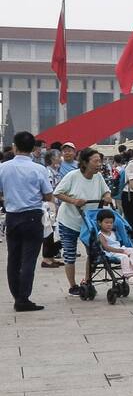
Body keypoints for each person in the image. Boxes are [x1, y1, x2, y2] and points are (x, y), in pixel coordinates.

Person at [0, 131, 54, 311]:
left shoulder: (3, 167)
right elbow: (48, 195)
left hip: (12, 217)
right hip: (32, 217)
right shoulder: (39, 169)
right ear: (33, 148)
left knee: (13, 259)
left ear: (14, 147)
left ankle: (17, 296)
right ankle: (23, 299)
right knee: (28, 260)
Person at [53, 148, 112, 298]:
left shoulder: (98, 177)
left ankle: (87, 281)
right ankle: (73, 286)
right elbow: (57, 192)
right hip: (69, 220)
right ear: (85, 162)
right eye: (96, 161)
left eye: (100, 160)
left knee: (92, 252)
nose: (99, 164)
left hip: (89, 222)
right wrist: (74, 201)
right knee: (70, 254)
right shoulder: (73, 176)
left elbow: (106, 191)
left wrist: (107, 196)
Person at [96, 211, 133, 277]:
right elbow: (106, 247)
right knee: (124, 257)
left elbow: (119, 242)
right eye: (106, 222)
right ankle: (129, 275)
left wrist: (121, 249)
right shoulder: (101, 235)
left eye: (111, 223)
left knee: (132, 250)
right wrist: (119, 251)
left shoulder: (113, 232)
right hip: (111, 252)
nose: (109, 225)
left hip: (119, 249)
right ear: (99, 223)